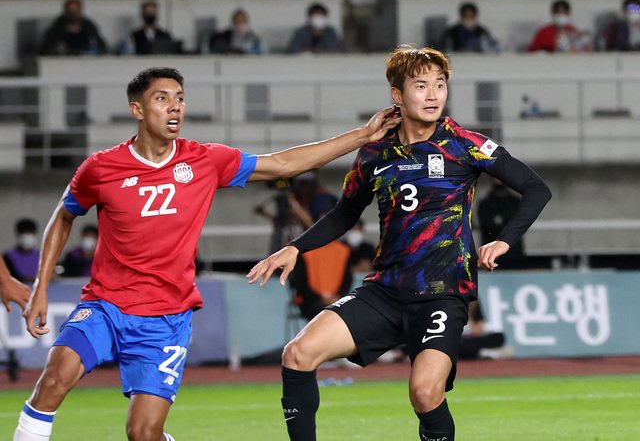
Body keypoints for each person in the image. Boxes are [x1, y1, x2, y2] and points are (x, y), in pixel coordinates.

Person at [11, 67, 399, 441]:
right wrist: (41, 287)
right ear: (138, 110)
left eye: (179, 98)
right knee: (54, 378)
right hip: (105, 305)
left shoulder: (204, 160)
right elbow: (62, 217)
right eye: (162, 99)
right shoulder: (100, 167)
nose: (175, 107)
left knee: (143, 433)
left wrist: (362, 136)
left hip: (165, 317)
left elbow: (284, 163)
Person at [248, 46, 551, 441]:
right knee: (298, 353)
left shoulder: (465, 143)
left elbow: (535, 188)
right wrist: (296, 247)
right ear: (397, 95)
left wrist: (504, 242)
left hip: (442, 293)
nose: (432, 95)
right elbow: (344, 214)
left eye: (439, 85)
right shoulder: (374, 153)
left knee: (425, 394)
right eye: (421, 85)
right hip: (386, 291)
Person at [475, 180, 527, 270]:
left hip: (514, 257)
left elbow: (519, 224)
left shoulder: (515, 202)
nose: (497, 180)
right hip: (491, 257)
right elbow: (487, 225)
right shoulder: (485, 204)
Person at [40, 0, 107, 57]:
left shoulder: (89, 26)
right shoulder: (56, 28)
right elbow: (45, 49)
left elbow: (101, 47)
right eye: (71, 10)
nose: (73, 13)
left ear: (81, 10)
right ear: (65, 11)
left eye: (76, 10)